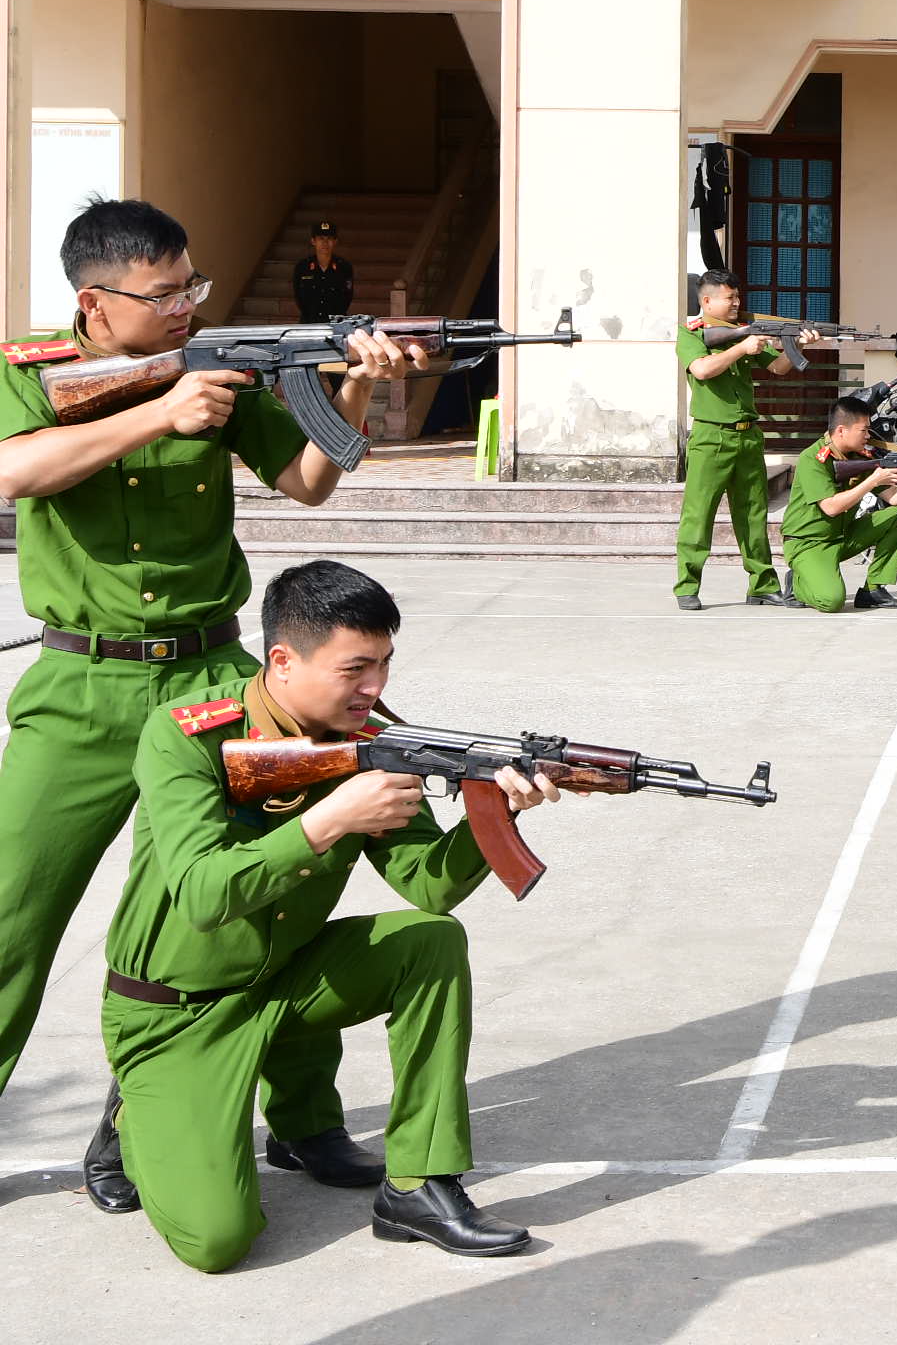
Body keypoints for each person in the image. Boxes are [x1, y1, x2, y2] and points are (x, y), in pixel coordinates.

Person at [0, 197, 417, 1217]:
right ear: (95, 304)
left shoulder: (225, 367)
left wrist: (356, 386)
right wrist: (161, 411)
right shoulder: (26, 370)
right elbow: (13, 470)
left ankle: (200, 1114)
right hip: (81, 686)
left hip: (210, 682)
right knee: (13, 909)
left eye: (193, 284)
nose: (187, 305)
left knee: (250, 897)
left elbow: (308, 480)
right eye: (164, 293)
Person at [101, 560, 557, 1270]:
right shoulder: (187, 735)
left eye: (384, 663)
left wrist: (493, 812)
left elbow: (426, 885)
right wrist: (331, 819)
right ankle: (136, 1109)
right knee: (216, 1241)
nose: (375, 687)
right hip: (175, 1012)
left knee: (429, 941)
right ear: (283, 661)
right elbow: (201, 893)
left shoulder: (369, 743)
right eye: (355, 669)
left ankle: (419, 1184)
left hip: (282, 982)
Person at [674, 271, 798, 611]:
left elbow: (779, 368)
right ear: (707, 301)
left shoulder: (743, 331)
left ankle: (763, 585)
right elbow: (701, 369)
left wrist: (798, 343)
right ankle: (687, 586)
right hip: (711, 436)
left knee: (754, 515)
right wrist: (742, 347)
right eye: (730, 298)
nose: (737, 303)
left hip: (748, 436)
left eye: (737, 297)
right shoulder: (691, 333)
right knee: (699, 515)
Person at [780, 397, 897, 612]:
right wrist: (872, 481)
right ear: (842, 430)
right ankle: (796, 582)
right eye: (864, 430)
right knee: (831, 601)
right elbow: (831, 507)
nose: (868, 436)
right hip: (808, 543)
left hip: (842, 537)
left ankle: (873, 589)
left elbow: (894, 497)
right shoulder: (812, 458)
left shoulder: (859, 458)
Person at [291, 221, 354, 323]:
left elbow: (347, 297)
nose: (325, 243)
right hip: (309, 321)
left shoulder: (344, 267)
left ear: (335, 241)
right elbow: (298, 296)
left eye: (329, 238)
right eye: (321, 238)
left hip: (335, 323)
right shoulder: (303, 267)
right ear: (313, 241)